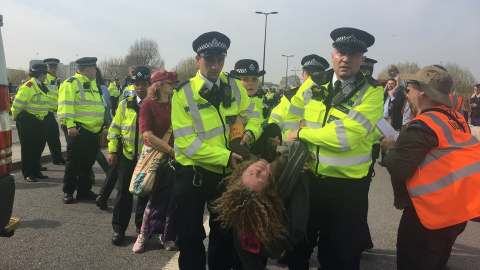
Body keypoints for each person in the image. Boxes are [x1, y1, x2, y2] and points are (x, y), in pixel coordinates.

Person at [284, 27, 383, 269]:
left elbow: (346, 136)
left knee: (339, 257)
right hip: (308, 180)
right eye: (340, 52)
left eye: (353, 54)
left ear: (362, 58)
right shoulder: (313, 84)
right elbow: (290, 117)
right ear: (332, 55)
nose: (345, 58)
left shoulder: (372, 92)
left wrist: (303, 133)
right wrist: (293, 148)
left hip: (346, 188)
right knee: (297, 247)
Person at [171, 31, 261, 269]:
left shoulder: (234, 85)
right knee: (190, 236)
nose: (214, 65)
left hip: (225, 175)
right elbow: (185, 143)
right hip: (193, 174)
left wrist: (250, 133)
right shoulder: (183, 93)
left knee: (223, 236)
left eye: (220, 59)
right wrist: (226, 156)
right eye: (208, 59)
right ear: (197, 59)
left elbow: (254, 115)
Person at [380, 65, 480, 270]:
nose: (407, 91)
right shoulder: (455, 118)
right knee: (438, 261)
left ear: (422, 91)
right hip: (456, 210)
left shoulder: (422, 125)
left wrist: (390, 149)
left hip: (428, 215)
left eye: (410, 87)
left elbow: (400, 169)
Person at [132, 69, 178, 253]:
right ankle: (143, 234)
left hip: (173, 157)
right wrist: (170, 150)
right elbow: (148, 136)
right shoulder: (148, 105)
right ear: (159, 85)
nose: (173, 85)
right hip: (155, 156)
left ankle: (166, 235)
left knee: (171, 199)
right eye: (170, 82)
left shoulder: (175, 104)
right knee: (151, 198)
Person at [108, 66, 150, 245]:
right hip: (127, 155)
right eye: (137, 84)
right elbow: (115, 128)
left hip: (147, 158)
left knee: (144, 194)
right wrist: (111, 150)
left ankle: (142, 228)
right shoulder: (125, 103)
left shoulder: (155, 104)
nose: (140, 87)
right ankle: (119, 229)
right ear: (133, 85)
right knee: (123, 194)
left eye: (144, 84)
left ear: (150, 84)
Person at [58, 57, 106, 204]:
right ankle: (68, 191)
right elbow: (66, 105)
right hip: (78, 129)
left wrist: (104, 122)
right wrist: (70, 125)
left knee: (87, 162)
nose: (96, 72)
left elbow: (100, 106)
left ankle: (84, 191)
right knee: (74, 162)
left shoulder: (94, 85)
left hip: (93, 130)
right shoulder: (71, 83)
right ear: (88, 69)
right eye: (95, 69)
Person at [10, 64, 50, 182]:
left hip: (40, 121)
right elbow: (17, 105)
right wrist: (16, 116)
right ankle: (28, 173)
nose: (46, 76)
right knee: (28, 149)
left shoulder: (41, 86)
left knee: (38, 146)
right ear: (41, 74)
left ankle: (36, 170)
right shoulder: (28, 86)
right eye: (45, 74)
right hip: (28, 122)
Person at [41, 58, 66, 165]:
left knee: (54, 137)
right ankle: (36, 164)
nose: (53, 69)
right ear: (47, 68)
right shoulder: (44, 79)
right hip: (43, 112)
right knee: (41, 140)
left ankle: (57, 158)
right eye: (51, 67)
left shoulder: (56, 80)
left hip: (50, 113)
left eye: (55, 67)